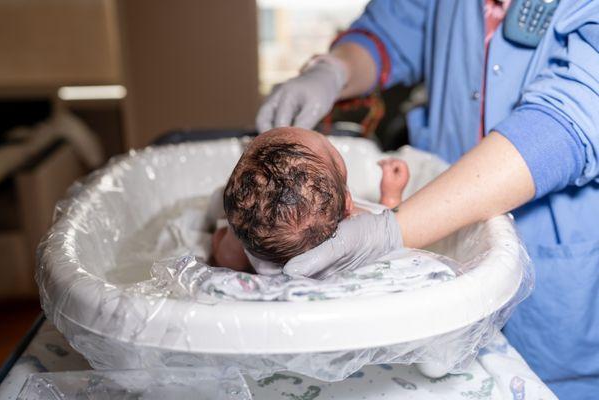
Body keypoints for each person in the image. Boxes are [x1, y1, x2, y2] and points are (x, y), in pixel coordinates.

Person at [255, 1, 599, 398]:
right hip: (433, 299)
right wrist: (335, 70)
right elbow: (395, 27)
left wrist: (393, 225)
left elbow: (572, 121)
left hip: (557, 291)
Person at [211, 127, 408, 274]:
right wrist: (391, 196)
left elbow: (225, 259)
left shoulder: (252, 238)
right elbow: (391, 233)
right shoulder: (360, 224)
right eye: (329, 148)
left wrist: (231, 228)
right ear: (348, 204)